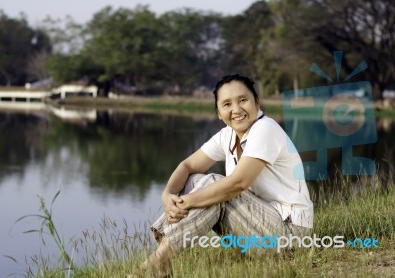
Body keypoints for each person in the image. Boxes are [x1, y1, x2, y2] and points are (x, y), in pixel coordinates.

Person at [129, 74, 313, 277]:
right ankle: (162, 259)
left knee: (217, 185)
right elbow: (188, 165)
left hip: (290, 234)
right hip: (257, 225)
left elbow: (237, 184)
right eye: (227, 104)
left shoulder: (265, 129)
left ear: (256, 102)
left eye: (243, 100)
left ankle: (158, 263)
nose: (236, 109)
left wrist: (187, 201)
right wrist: (168, 195)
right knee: (193, 181)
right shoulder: (228, 134)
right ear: (218, 112)